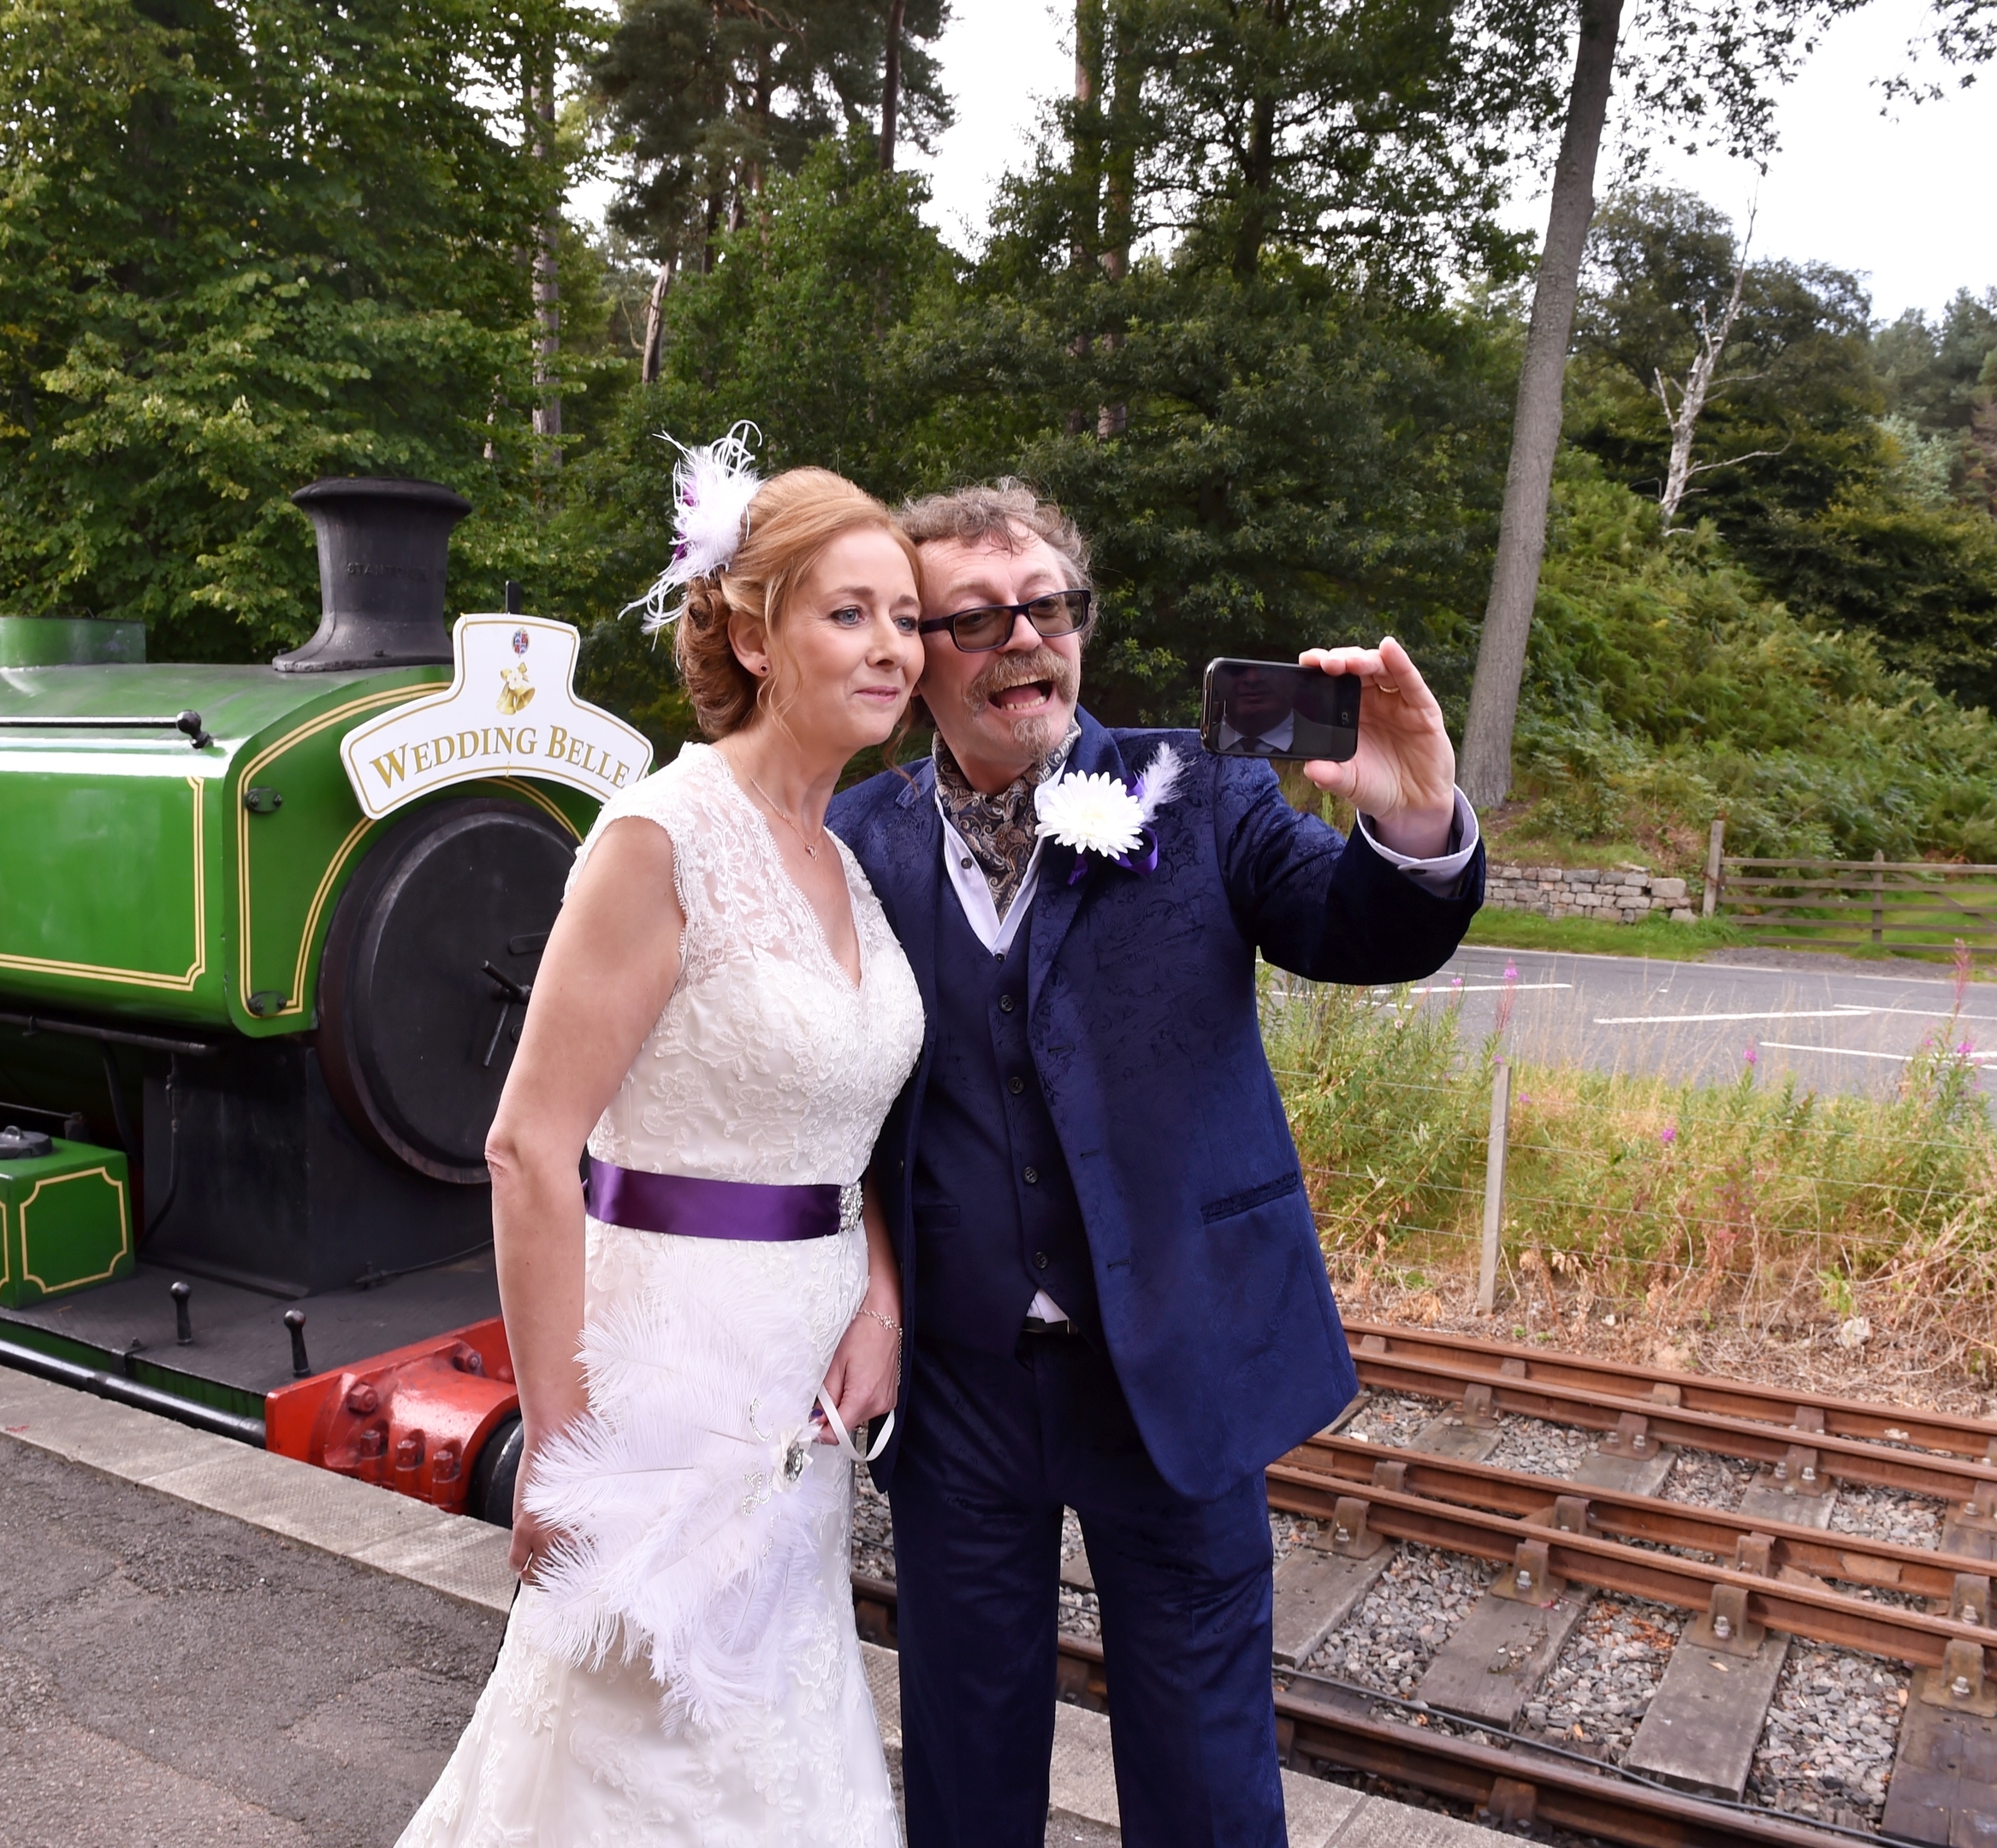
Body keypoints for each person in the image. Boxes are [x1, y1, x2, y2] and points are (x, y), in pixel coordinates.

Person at [829, 480, 1484, 1848]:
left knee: (1200, 1756)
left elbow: (1354, 928)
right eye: (975, 619)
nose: (1025, 640)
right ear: (910, 652)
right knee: (963, 1736)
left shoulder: (1199, 796)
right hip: (957, 1385)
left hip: (1177, 1359)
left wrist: (1411, 820)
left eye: (1048, 607)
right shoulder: (856, 843)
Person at [398, 446, 925, 1847]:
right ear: (753, 634)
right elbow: (528, 1148)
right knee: (640, 1759)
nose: (895, 649)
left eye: (908, 617)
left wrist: (878, 1292)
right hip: (666, 1390)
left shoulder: (847, 857)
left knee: (775, 1742)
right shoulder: (660, 833)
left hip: (803, 1399)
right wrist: (569, 1457)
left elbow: (844, 1123)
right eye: (851, 614)